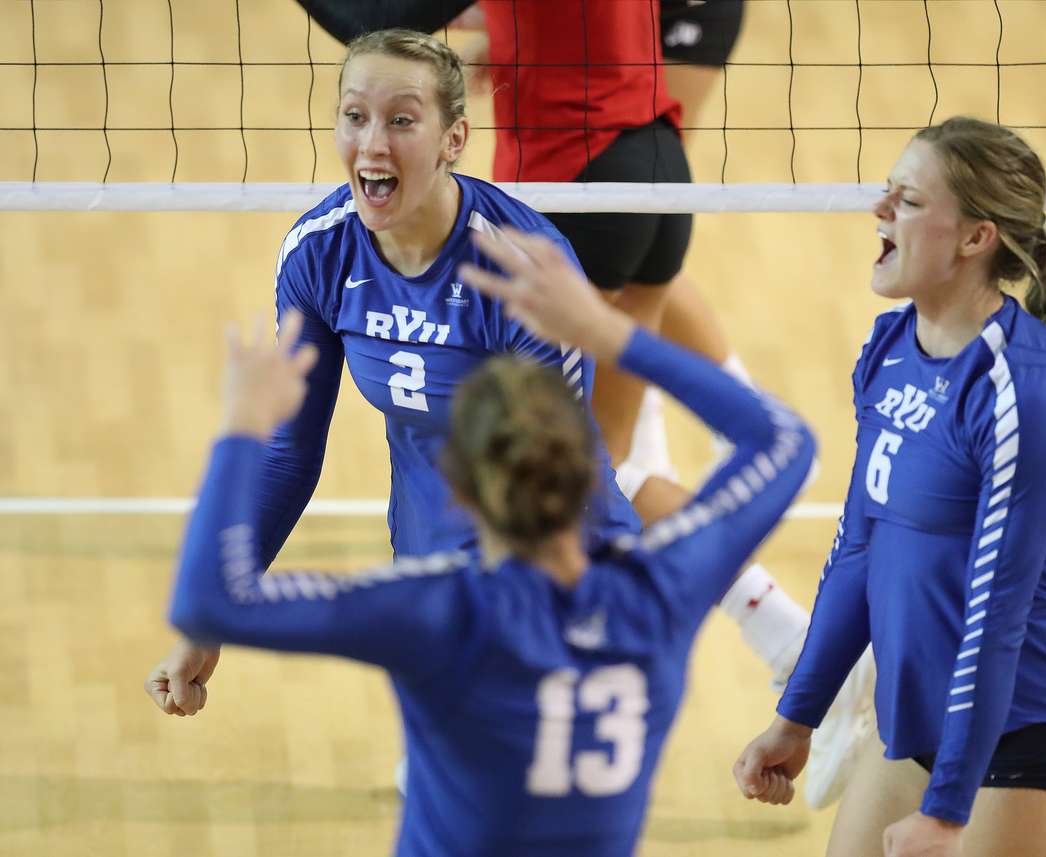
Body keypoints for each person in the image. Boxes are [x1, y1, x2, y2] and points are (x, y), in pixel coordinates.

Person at [163, 226, 816, 857]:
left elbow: (208, 602)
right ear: (593, 469)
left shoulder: (439, 612)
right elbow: (786, 440)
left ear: (462, 495)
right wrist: (607, 332)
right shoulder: (662, 591)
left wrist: (243, 425)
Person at [292, 0, 832, 759]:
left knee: (587, 470)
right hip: (651, 161)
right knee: (610, 465)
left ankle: (804, 654)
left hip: (571, 180)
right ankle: (800, 646)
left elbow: (386, 15)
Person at [144, 29, 638, 716]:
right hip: (425, 547)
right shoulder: (319, 255)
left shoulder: (519, 272)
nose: (373, 143)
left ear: (453, 139)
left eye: (402, 120)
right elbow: (289, 452)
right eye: (355, 116)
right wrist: (210, 621)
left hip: (551, 550)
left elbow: (562, 469)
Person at [733, 117, 1046, 857]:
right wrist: (797, 717)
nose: (879, 210)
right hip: (919, 729)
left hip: (1030, 738)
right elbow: (859, 550)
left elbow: (996, 613)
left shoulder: (1022, 394)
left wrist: (946, 813)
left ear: (976, 238)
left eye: (907, 200)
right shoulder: (888, 349)